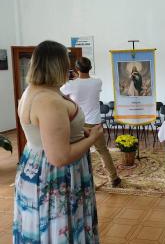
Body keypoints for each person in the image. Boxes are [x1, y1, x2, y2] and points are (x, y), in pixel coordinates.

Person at [13, 41, 101, 243]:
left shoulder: (31, 91)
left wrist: (80, 131)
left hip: (35, 165)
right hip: (55, 176)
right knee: (59, 229)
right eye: (66, 63)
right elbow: (59, 157)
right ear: (57, 66)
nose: (69, 69)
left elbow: (49, 132)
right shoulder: (49, 101)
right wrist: (93, 139)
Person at [61, 57, 121, 187]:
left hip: (79, 124)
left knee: (80, 153)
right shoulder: (97, 82)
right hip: (96, 123)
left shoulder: (71, 85)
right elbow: (89, 80)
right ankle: (114, 178)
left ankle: (82, 181)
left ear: (76, 69)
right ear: (90, 68)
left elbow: (60, 93)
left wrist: (70, 78)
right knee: (103, 151)